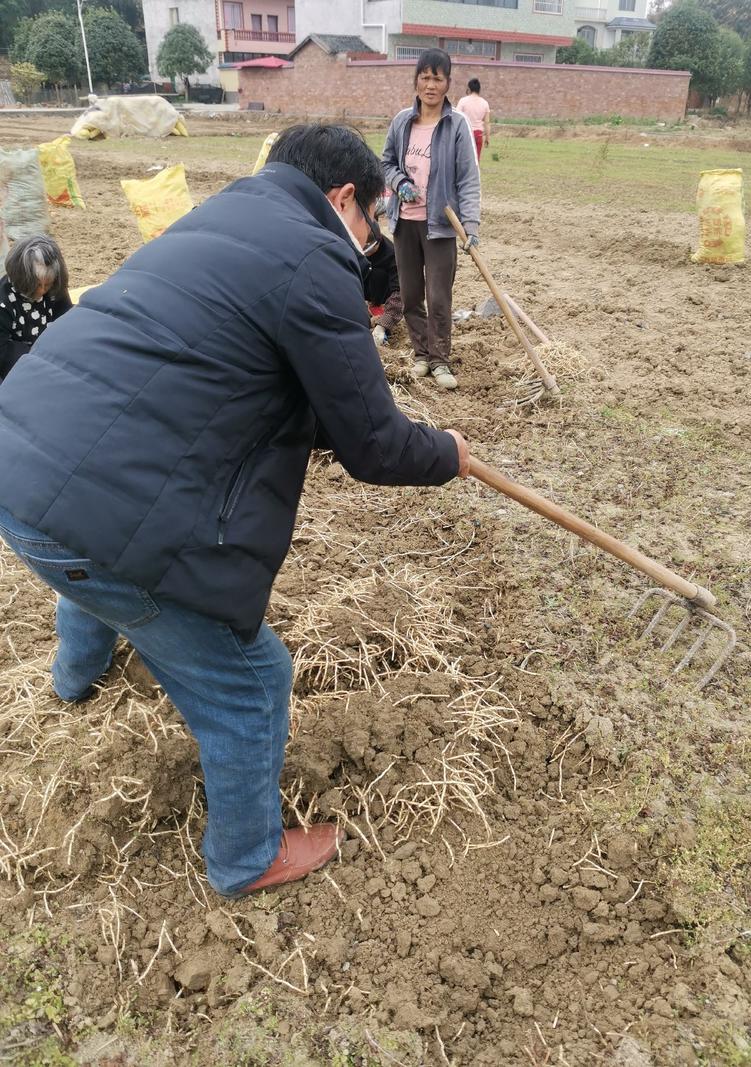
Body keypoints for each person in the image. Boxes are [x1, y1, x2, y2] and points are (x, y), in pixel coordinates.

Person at [0, 124, 470, 899]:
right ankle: (246, 856)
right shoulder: (316, 254)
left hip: (23, 461)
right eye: (371, 224)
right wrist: (444, 451)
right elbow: (376, 443)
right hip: (87, 513)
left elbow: (251, 374)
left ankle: (73, 678)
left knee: (90, 538)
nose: (369, 244)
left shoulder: (222, 217)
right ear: (344, 197)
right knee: (253, 677)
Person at [382, 48, 480, 391]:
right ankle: (421, 354)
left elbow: (468, 178)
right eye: (424, 77)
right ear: (416, 81)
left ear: (447, 83)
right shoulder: (401, 122)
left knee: (440, 297)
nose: (430, 84)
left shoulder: (456, 125)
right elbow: (386, 164)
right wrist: (400, 183)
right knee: (410, 295)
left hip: (440, 225)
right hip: (404, 223)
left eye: (437, 78)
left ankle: (440, 360)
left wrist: (471, 225)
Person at [0, 235, 72, 381]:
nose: (42, 291)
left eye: (48, 284)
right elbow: (3, 350)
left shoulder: (55, 289)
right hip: (19, 363)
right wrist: (39, 360)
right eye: (37, 285)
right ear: (20, 279)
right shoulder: (4, 302)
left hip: (49, 353)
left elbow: (67, 323)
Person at [363, 202, 403, 346]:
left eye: (369, 251)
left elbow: (399, 293)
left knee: (378, 273)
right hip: (361, 289)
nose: (366, 254)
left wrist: (383, 325)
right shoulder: (352, 247)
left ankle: (376, 306)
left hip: (382, 291)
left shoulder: (392, 254)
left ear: (378, 242)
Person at [456, 78, 491, 161]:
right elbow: (487, 122)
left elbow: (457, 118)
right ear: (479, 89)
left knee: (463, 159)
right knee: (476, 160)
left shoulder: (463, 101)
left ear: (469, 88)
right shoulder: (485, 103)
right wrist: (487, 138)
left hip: (465, 133)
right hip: (478, 134)